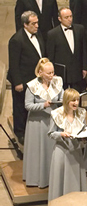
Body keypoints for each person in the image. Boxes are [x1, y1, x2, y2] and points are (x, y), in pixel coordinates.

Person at [23, 58, 63, 188]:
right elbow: (28, 105)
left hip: (52, 120)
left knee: (50, 149)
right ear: (40, 72)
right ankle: (37, 178)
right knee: (38, 150)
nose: (52, 75)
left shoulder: (57, 82)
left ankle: (52, 177)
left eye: (52, 72)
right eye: (48, 73)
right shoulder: (32, 86)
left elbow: (62, 98)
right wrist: (43, 105)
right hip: (37, 123)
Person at [8, 11, 45, 143]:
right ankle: (20, 133)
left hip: (35, 78)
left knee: (32, 106)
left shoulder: (38, 34)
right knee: (20, 107)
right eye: (33, 23)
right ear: (25, 24)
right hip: (22, 80)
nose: (37, 26)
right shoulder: (16, 40)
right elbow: (13, 63)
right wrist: (17, 82)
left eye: (37, 22)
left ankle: (32, 130)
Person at [48, 88, 87, 201]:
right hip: (62, 152)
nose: (76, 103)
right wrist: (61, 134)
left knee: (75, 179)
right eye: (73, 100)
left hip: (76, 151)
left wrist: (85, 138)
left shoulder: (80, 113)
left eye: (77, 100)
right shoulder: (56, 114)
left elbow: (84, 130)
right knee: (61, 180)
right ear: (66, 101)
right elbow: (51, 133)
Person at [46, 7, 87, 90]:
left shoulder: (80, 29)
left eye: (71, 16)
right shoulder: (52, 34)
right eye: (66, 17)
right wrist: (52, 72)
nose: (70, 19)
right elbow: (51, 55)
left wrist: (85, 67)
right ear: (59, 19)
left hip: (78, 71)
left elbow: (84, 50)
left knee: (78, 95)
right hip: (62, 73)